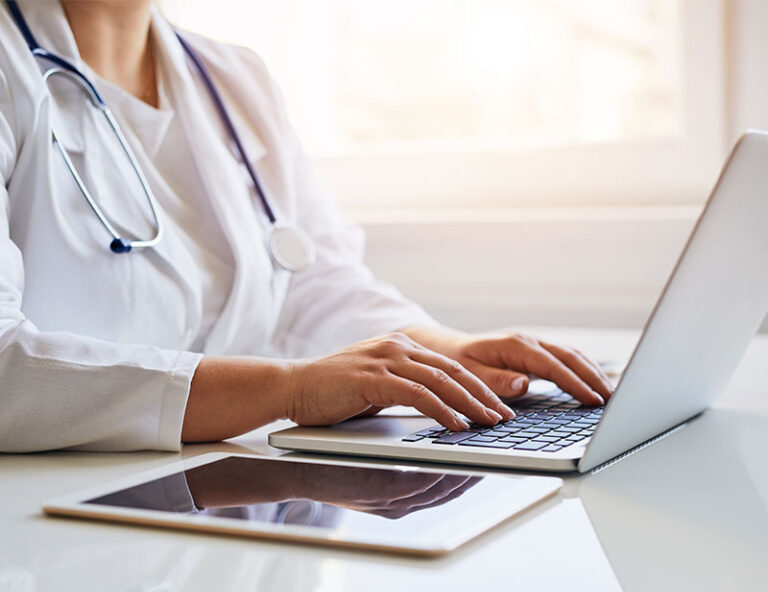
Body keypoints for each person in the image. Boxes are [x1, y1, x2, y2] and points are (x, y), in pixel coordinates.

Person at [0, 0, 613, 453]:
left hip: (227, 497)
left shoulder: (233, 79)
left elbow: (311, 282)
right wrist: (287, 390)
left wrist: (439, 351)